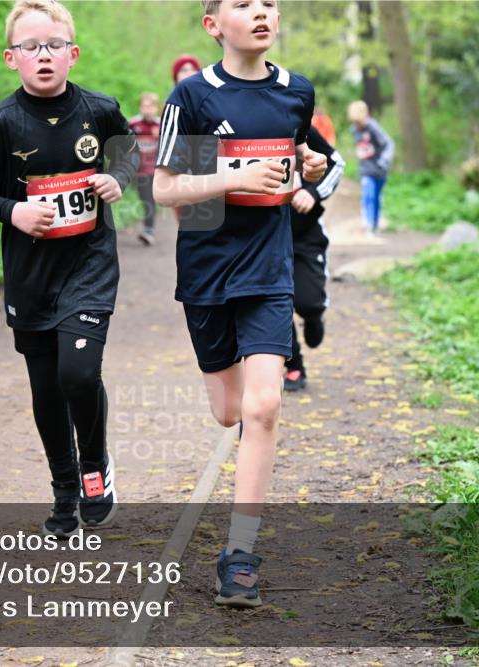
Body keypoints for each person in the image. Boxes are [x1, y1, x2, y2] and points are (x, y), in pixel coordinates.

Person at [153, 0, 326, 608]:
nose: (261, 13)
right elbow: (171, 190)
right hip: (207, 271)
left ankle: (241, 555)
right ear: (213, 25)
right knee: (230, 412)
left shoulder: (294, 92)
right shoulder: (196, 98)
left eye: (269, 4)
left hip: (268, 271)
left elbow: (299, 168)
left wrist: (310, 169)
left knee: (266, 407)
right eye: (244, 4)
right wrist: (232, 177)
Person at [0, 0, 139, 537]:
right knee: (45, 387)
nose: (43, 55)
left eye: (54, 45)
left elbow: (126, 152)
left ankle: (93, 469)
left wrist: (118, 180)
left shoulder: (100, 109)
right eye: (30, 47)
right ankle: (63, 491)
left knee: (77, 373)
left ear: (72, 54)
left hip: (89, 264)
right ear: (11, 58)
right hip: (30, 274)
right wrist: (13, 210)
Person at [283, 125, 345, 391]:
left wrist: (313, 192)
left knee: (307, 301)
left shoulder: (295, 122)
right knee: (274, 303)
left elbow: (336, 163)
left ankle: (313, 315)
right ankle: (294, 365)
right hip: (263, 237)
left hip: (305, 235)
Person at [347, 100, 394, 235]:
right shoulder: (354, 129)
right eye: (354, 122)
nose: (357, 125)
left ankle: (375, 224)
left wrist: (384, 161)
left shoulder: (373, 127)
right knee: (368, 196)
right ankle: (368, 224)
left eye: (358, 122)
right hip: (366, 170)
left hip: (379, 169)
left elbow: (389, 144)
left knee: (377, 198)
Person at [128, 92, 161, 246]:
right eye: (145, 106)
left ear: (156, 108)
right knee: (145, 198)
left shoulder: (161, 125)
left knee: (149, 198)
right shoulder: (133, 124)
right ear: (140, 107)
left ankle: (148, 230)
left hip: (155, 170)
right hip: (139, 170)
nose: (148, 109)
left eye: (151, 106)